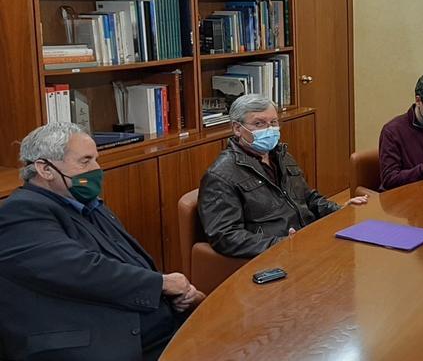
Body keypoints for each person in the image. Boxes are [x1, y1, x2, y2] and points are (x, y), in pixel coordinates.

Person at [0, 123, 204, 361]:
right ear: (45, 169)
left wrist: (173, 296)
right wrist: (161, 284)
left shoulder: (87, 204)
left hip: (150, 322)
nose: (97, 169)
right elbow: (80, 269)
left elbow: (132, 261)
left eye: (96, 159)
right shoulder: (20, 213)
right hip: (96, 341)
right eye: (85, 161)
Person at [199, 94, 368, 259]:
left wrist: (341, 211)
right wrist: (280, 244)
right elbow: (226, 236)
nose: (269, 129)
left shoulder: (280, 155)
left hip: (308, 241)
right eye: (259, 124)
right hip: (275, 255)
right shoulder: (220, 176)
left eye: (273, 122)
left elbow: (308, 198)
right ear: (237, 128)